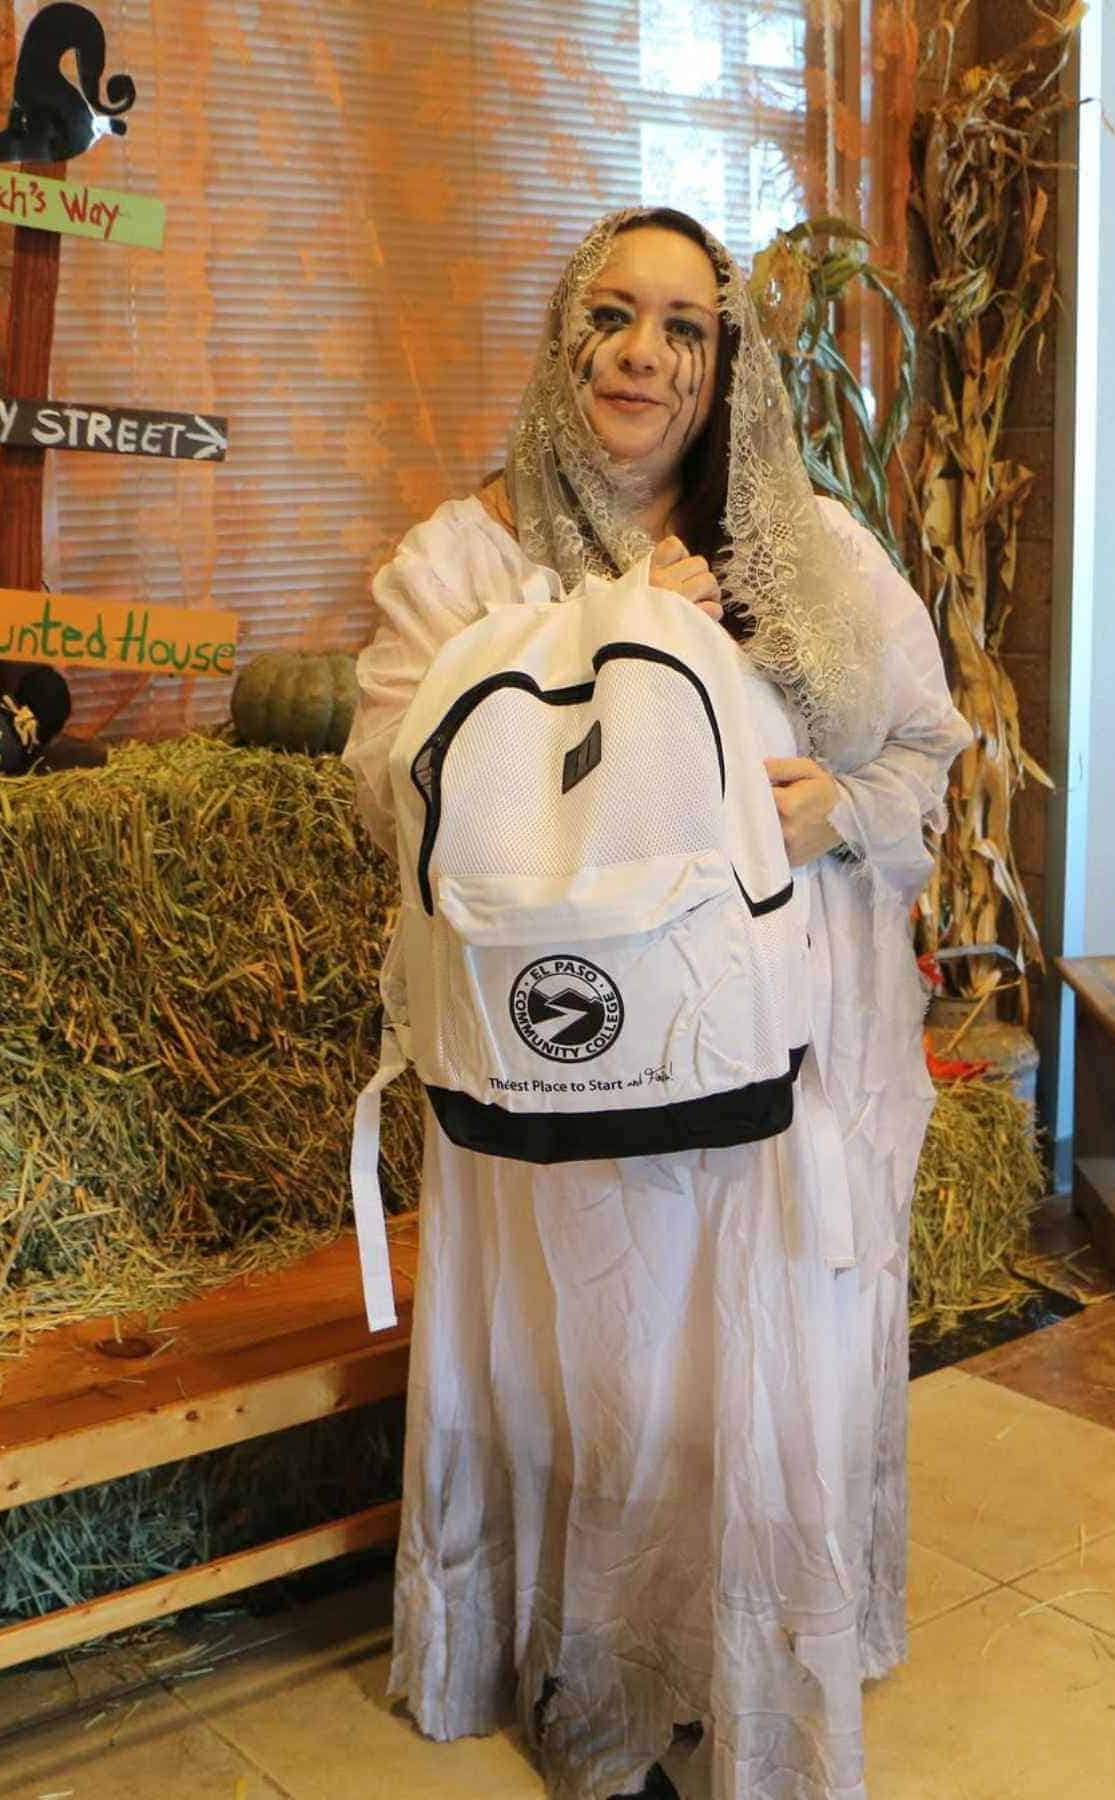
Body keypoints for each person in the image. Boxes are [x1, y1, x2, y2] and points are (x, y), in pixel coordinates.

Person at [344, 208, 970, 1800]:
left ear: (724, 365)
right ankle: (595, 1679)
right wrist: (612, 627)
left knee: (760, 1364)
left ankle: (744, 1674)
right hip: (563, 1086)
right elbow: (388, 775)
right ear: (564, 340)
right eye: (611, 317)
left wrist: (838, 805)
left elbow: (923, 755)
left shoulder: (811, 554)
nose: (642, 354)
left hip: (783, 1074)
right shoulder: (468, 557)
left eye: (684, 327)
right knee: (598, 1370)